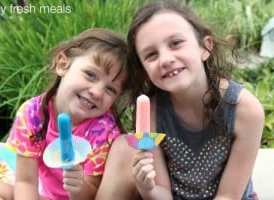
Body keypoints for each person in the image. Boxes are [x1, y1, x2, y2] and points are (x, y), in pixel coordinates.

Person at [95, 1, 265, 200]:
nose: (165, 59)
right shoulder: (151, 111)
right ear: (144, 71)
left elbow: (228, 195)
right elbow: (162, 193)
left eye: (175, 43)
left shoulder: (244, 110)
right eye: (151, 54)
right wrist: (147, 188)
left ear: (205, 47)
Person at [0, 28, 135, 200]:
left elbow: (95, 193)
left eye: (110, 89)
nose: (96, 92)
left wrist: (79, 188)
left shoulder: (104, 132)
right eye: (90, 75)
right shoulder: (32, 114)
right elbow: (26, 182)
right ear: (62, 64)